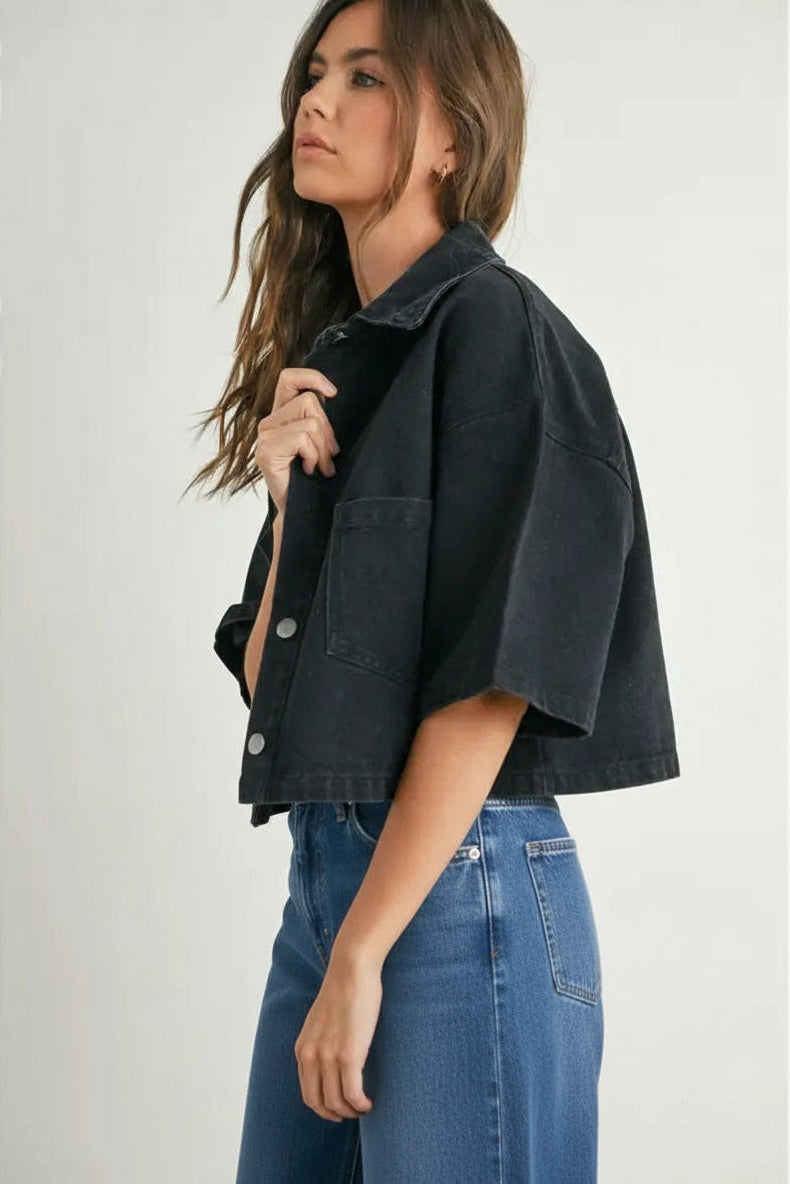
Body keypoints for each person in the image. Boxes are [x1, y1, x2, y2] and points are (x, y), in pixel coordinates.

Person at [186, 0, 680, 1179]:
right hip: (333, 886)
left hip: (461, 899)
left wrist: (363, 949)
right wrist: (288, 504)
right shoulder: (343, 368)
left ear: (453, 134)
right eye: (314, 73)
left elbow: (493, 683)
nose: (314, 100)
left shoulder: (501, 332)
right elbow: (280, 696)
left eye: (364, 77)